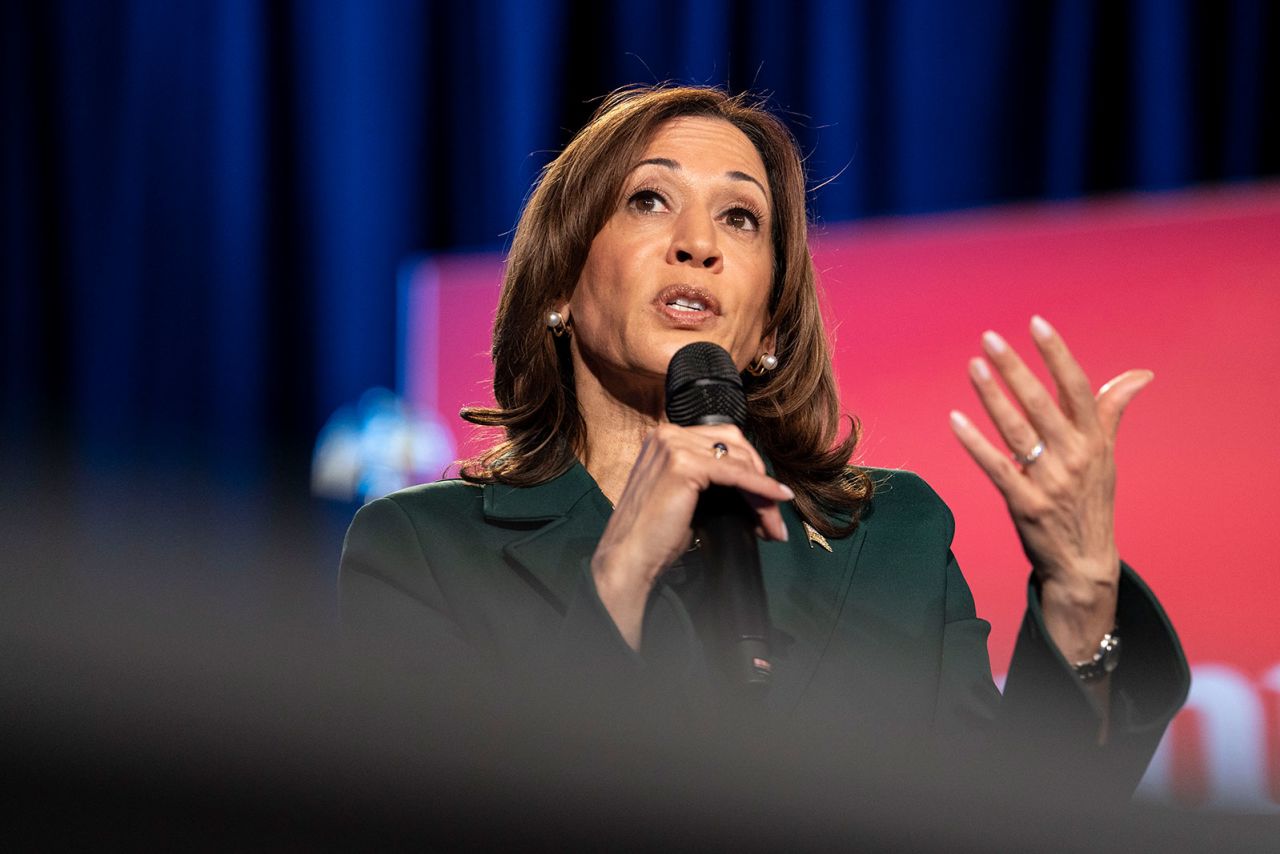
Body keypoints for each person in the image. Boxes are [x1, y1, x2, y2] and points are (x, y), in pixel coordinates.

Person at [339, 85, 1188, 800]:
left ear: (770, 324)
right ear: (561, 280)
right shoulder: (422, 552)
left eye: (741, 218)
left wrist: (1080, 592)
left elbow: (1005, 824)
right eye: (648, 199)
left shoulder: (892, 538)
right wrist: (620, 575)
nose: (698, 244)